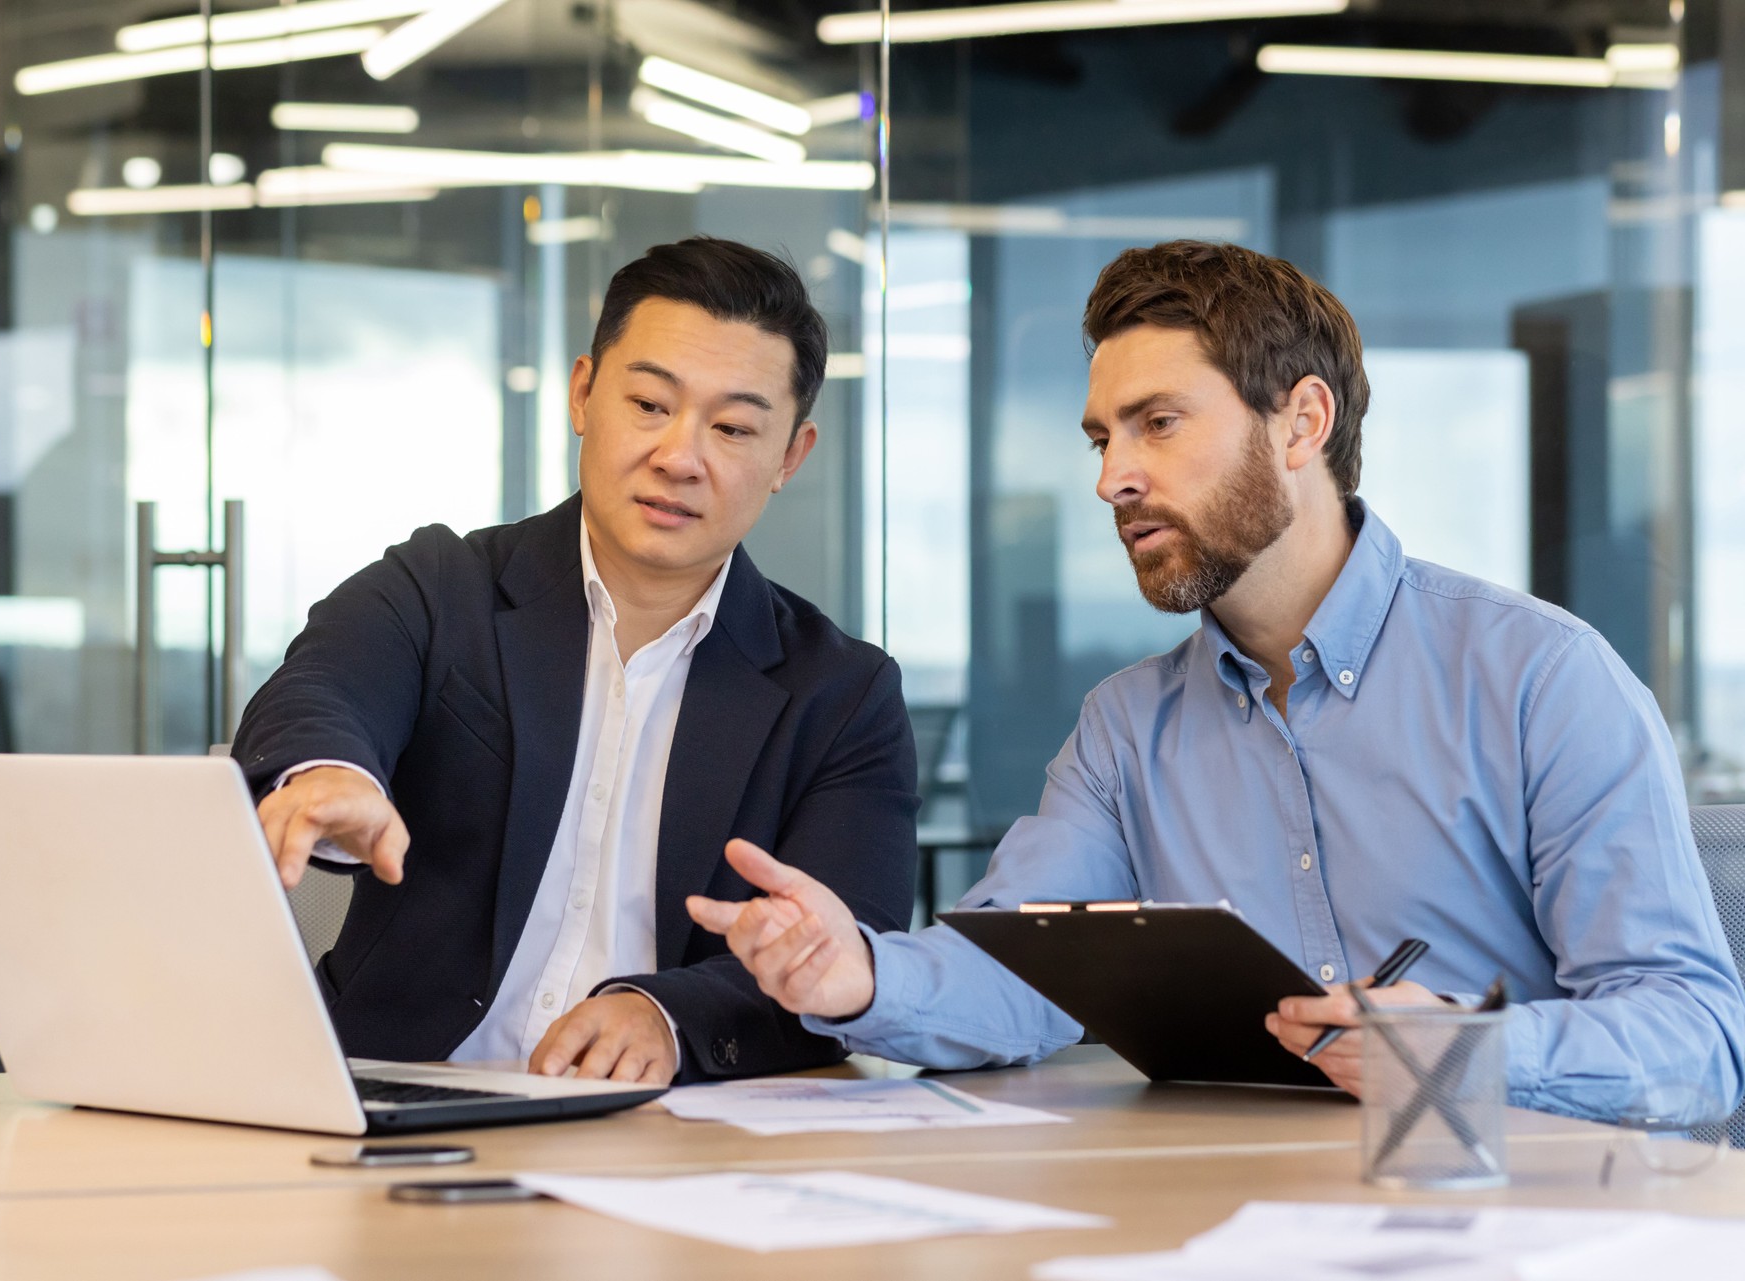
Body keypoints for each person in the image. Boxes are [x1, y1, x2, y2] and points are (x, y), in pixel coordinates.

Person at [688, 240, 1745, 1125]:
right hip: (1232, 1213)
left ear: (1302, 423)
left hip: (1516, 1219)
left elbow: (1698, 1041)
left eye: (1159, 423)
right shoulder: (1125, 730)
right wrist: (855, 976)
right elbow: (1026, 977)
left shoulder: (1539, 678)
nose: (1113, 478)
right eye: (1104, 438)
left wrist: (1466, 1048)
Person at [235, 236, 918, 1087]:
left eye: (734, 427)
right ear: (584, 394)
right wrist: (331, 773)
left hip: (665, 1131)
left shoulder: (842, 695)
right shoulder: (443, 587)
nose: (679, 455)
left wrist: (667, 1016)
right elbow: (324, 685)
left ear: (790, 457)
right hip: (396, 1095)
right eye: (648, 404)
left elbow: (849, 951)